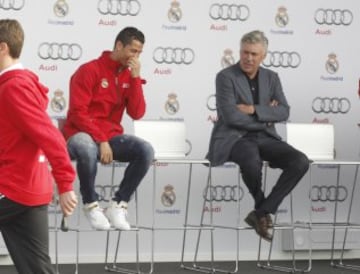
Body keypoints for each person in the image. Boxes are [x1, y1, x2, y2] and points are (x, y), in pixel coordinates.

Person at [206, 30, 310, 241]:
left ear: (263, 56)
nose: (248, 58)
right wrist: (265, 117)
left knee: (300, 161)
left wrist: (254, 109)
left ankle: (261, 212)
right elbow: (231, 116)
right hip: (235, 137)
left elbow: (284, 111)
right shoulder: (225, 77)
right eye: (245, 52)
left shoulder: (272, 77)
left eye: (254, 54)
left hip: (265, 137)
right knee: (251, 161)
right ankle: (262, 209)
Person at [0, 19, 78, 274]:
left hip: (12, 187)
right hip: (29, 190)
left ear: (2, 48)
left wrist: (65, 182)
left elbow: (50, 136)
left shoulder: (14, 88)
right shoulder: (13, 86)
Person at [63, 26, 154, 231]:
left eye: (139, 53)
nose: (136, 57)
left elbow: (137, 113)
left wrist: (135, 79)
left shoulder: (129, 76)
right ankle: (91, 204)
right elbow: (78, 113)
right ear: (119, 46)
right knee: (86, 146)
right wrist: (101, 140)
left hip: (110, 137)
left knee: (146, 150)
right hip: (79, 133)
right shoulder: (89, 70)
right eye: (133, 51)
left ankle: (119, 204)